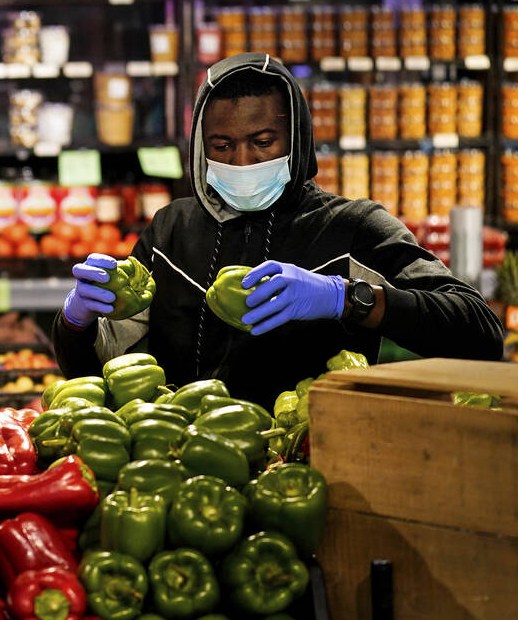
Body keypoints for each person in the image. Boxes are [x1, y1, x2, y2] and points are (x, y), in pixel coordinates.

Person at [52, 52, 504, 408]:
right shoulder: (170, 232)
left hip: (315, 467)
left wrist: (344, 297)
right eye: (222, 146)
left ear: (297, 140)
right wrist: (77, 320)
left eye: (263, 142)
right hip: (184, 469)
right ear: (200, 149)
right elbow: (94, 376)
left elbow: (479, 332)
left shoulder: (353, 228)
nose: (242, 162)